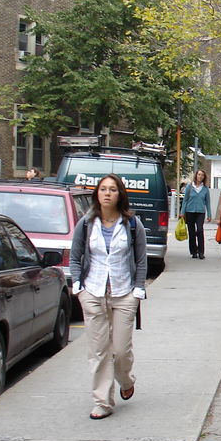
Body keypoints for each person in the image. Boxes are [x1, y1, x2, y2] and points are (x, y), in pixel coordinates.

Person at [70, 173, 148, 420]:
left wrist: (137, 291)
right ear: (97, 194)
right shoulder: (86, 223)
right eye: (103, 189)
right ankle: (102, 401)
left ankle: (126, 379)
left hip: (123, 293)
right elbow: (74, 257)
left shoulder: (132, 225)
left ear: (119, 194)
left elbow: (141, 260)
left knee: (121, 350)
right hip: (92, 292)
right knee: (99, 351)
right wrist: (78, 287)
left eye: (112, 190)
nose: (107, 193)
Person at [182, 170, 212, 260]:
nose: (200, 176)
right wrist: (182, 213)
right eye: (199, 174)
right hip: (190, 211)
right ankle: (193, 251)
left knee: (199, 230)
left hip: (200, 212)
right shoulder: (189, 186)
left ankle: (201, 252)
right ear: (196, 175)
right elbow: (185, 200)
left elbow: (207, 202)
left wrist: (209, 214)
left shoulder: (205, 189)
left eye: (202, 175)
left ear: (204, 177)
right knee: (191, 232)